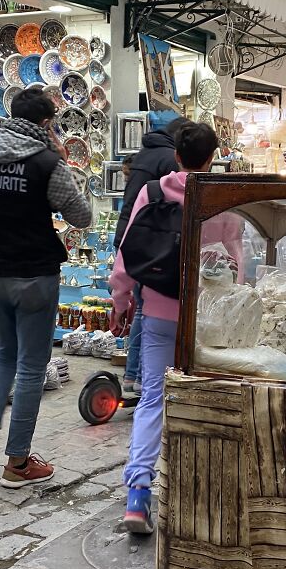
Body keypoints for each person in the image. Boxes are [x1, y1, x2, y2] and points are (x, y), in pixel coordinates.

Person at [0, 89, 91, 488]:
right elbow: (80, 216)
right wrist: (65, 164)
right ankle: (18, 462)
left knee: (4, 356)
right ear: (46, 124)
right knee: (32, 365)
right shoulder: (46, 163)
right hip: (34, 275)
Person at [111, 122, 240, 533]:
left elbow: (128, 254)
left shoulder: (151, 193)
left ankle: (138, 495)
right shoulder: (223, 202)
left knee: (153, 399)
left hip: (160, 315)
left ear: (177, 156)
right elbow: (235, 268)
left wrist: (121, 301)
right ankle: (201, 492)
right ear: (212, 156)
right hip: (207, 321)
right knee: (205, 402)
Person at [114, 116, 190, 395]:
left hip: (134, 236)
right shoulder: (171, 162)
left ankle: (135, 375)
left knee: (142, 308)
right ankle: (141, 376)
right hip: (153, 243)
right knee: (146, 309)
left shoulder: (147, 152)